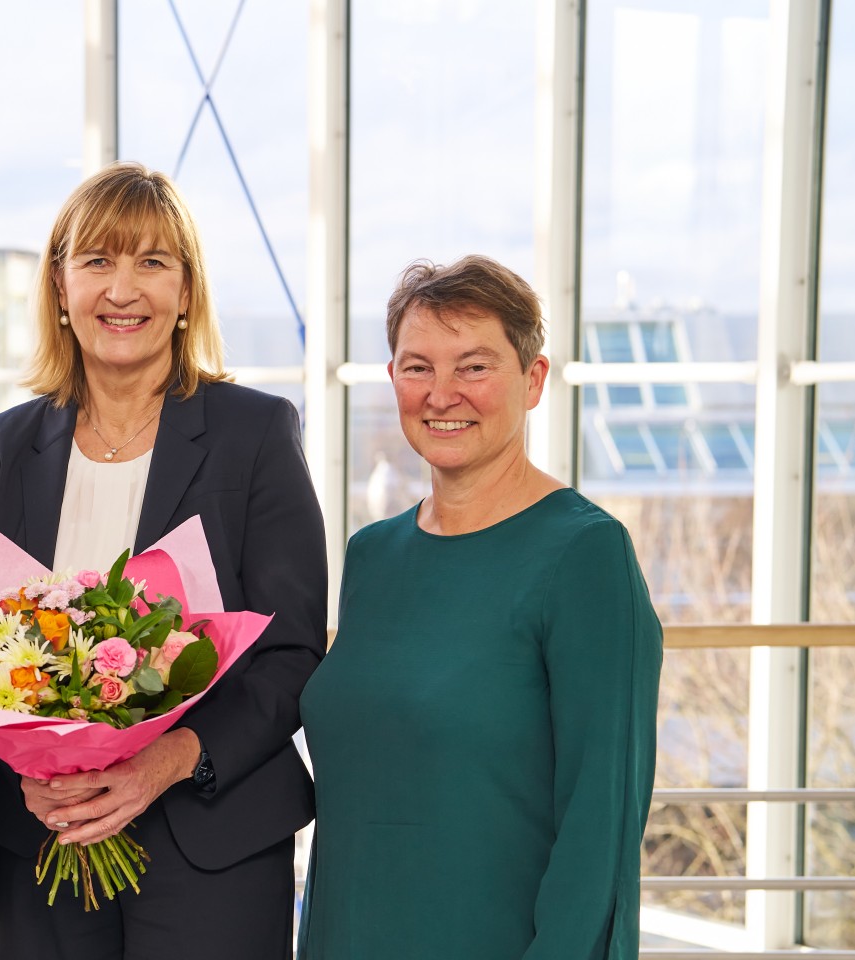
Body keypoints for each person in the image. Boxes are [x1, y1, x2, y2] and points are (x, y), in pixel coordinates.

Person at [0, 162, 328, 958]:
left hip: (212, 849)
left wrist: (163, 763)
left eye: (152, 262)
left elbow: (291, 654)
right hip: (44, 847)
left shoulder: (255, 434)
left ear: (186, 292)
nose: (123, 290)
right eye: (97, 261)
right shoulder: (4, 448)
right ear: (60, 288)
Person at [297, 256, 663, 959]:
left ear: (533, 379)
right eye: (418, 368)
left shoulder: (586, 557)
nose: (442, 395)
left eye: (473, 367)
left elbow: (600, 828)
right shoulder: (373, 557)